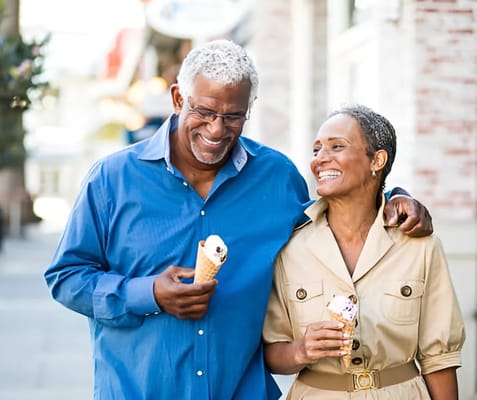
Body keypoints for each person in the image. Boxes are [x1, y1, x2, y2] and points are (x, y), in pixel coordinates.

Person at [44, 40, 433, 400]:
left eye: (233, 117)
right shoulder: (113, 179)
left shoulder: (276, 178)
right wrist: (149, 294)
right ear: (179, 98)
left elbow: (337, 221)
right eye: (205, 112)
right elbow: (66, 277)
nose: (217, 130)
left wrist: (394, 196)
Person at [262, 104, 465, 399]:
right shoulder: (290, 247)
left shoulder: (420, 246)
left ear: (377, 160)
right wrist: (300, 351)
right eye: (317, 149)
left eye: (337, 146)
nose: (320, 159)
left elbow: (440, 359)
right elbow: (270, 351)